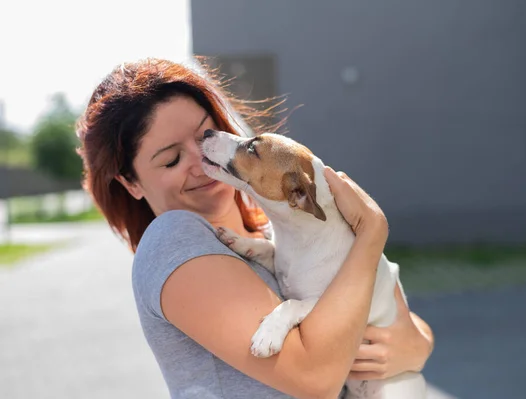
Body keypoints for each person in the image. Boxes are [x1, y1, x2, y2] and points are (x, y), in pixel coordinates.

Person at [76, 57, 433, 399]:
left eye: (206, 135)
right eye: (171, 159)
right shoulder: (175, 241)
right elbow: (317, 378)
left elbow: (400, 316)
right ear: (131, 183)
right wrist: (371, 232)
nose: (201, 161)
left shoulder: (274, 236)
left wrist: (414, 346)